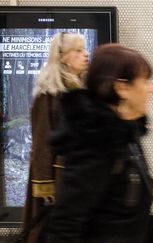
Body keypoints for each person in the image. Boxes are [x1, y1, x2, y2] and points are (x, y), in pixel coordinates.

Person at [45, 44, 153, 242]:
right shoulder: (97, 143)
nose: (152, 89)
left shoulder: (126, 135)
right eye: (145, 81)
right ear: (122, 88)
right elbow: (67, 222)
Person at [21, 32, 89, 243]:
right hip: (58, 178)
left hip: (81, 175)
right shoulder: (49, 94)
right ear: (62, 56)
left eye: (84, 49)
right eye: (78, 51)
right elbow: (42, 141)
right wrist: (44, 185)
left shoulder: (84, 91)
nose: (86, 54)